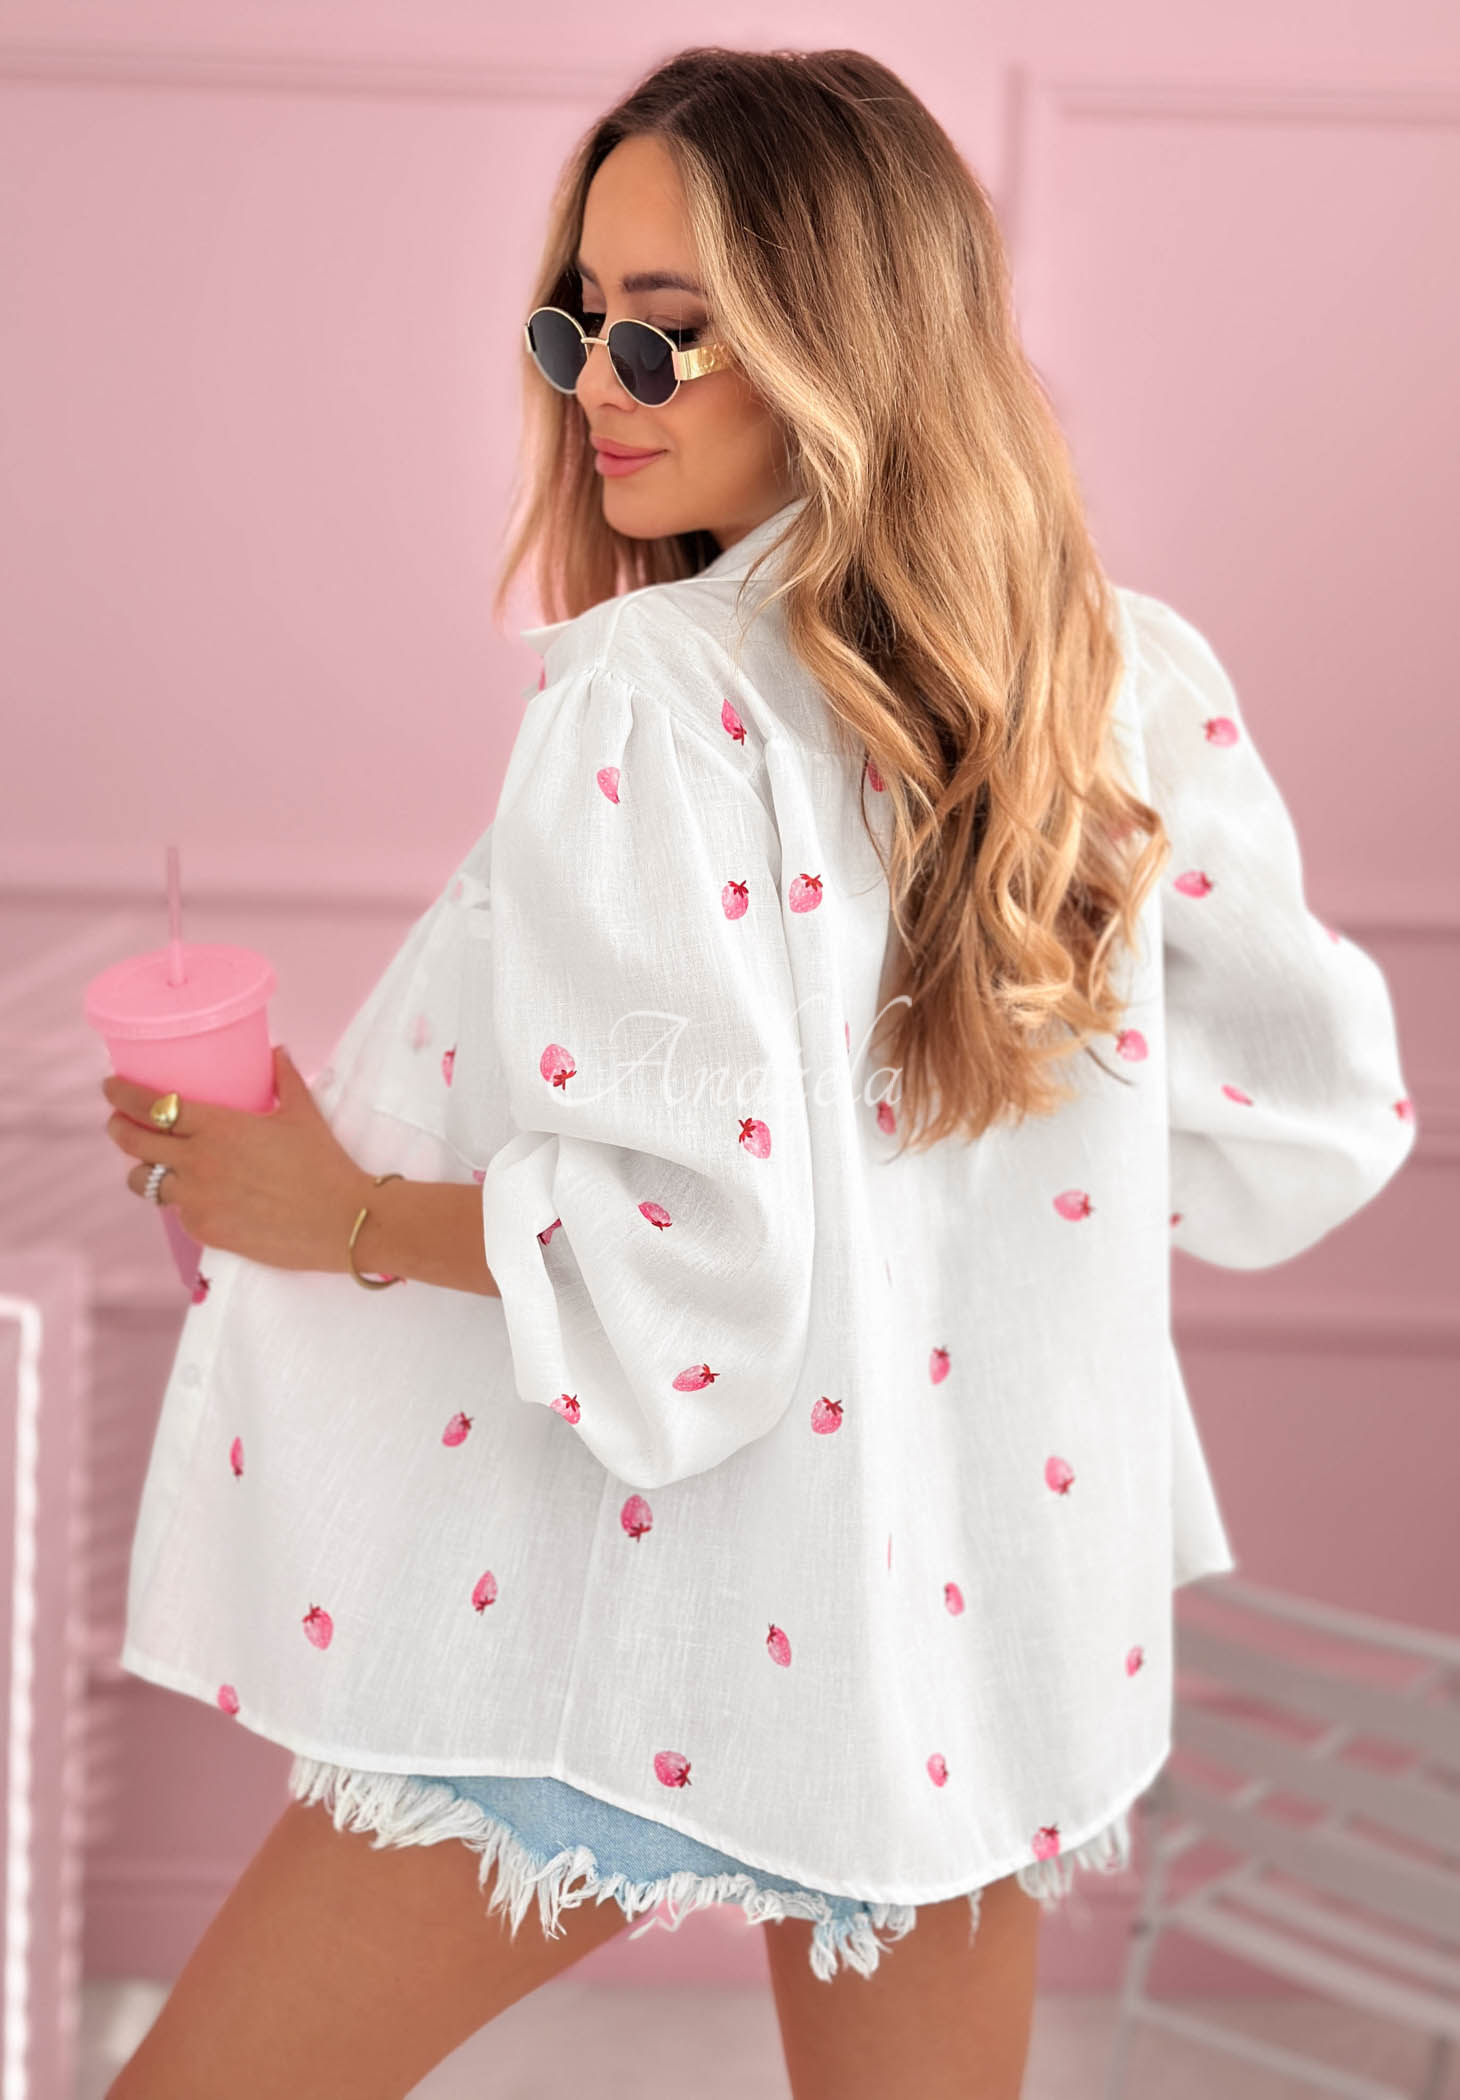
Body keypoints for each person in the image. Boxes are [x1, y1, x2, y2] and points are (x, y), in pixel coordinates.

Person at [101, 46, 1418, 2100]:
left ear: (838, 343)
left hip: (646, 1608)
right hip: (965, 1617)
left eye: (666, 332)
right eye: (574, 326)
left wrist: (332, 1213)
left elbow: (686, 1281)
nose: (599, 388)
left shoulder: (658, 696)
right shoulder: (1109, 676)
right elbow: (1310, 1131)